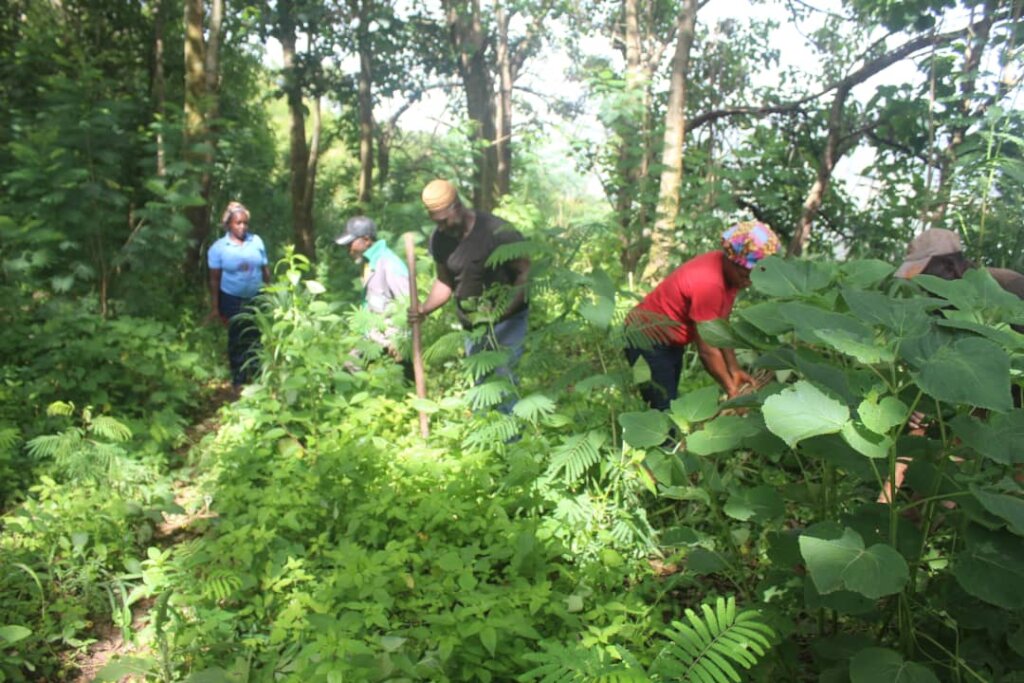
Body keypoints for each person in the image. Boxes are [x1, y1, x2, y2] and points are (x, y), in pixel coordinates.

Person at [624, 221, 780, 411]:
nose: (748, 282)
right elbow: (707, 350)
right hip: (644, 338)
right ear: (732, 259)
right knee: (662, 406)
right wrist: (732, 391)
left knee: (670, 398)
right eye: (745, 274)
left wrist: (734, 369)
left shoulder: (730, 277)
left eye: (753, 276)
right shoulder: (709, 284)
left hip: (669, 339)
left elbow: (720, 327)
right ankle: (661, 440)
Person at [408, 179, 530, 393]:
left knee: (504, 384)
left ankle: (511, 425)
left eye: (444, 221)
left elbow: (525, 273)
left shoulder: (497, 231)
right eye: (437, 222)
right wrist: (424, 309)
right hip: (473, 328)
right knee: (481, 390)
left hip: (507, 323)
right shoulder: (440, 239)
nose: (442, 228)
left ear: (457, 206)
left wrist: (501, 312)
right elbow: (445, 281)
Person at [207, 201, 271, 391]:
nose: (242, 226)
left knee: (255, 336)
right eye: (238, 223)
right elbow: (214, 280)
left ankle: (258, 376)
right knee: (237, 337)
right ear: (229, 225)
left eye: (245, 223)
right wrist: (215, 307)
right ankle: (238, 379)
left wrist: (270, 293)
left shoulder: (256, 241)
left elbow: (265, 270)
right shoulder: (218, 248)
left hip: (256, 298)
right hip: (231, 298)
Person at [334, 215, 410, 373]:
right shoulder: (369, 261)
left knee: (403, 379)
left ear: (366, 240)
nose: (348, 249)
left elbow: (408, 303)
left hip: (391, 339)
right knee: (348, 369)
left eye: (351, 243)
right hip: (373, 335)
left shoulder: (389, 263)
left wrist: (400, 341)